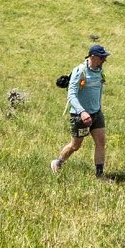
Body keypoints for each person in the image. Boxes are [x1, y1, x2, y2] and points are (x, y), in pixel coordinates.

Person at [51, 42, 109, 178]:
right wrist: (82, 112)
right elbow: (71, 95)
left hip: (96, 113)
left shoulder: (99, 72)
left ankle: (100, 175)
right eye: (102, 57)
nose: (104, 60)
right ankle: (58, 162)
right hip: (79, 115)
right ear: (93, 57)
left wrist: (97, 108)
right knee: (76, 145)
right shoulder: (79, 71)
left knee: (101, 142)